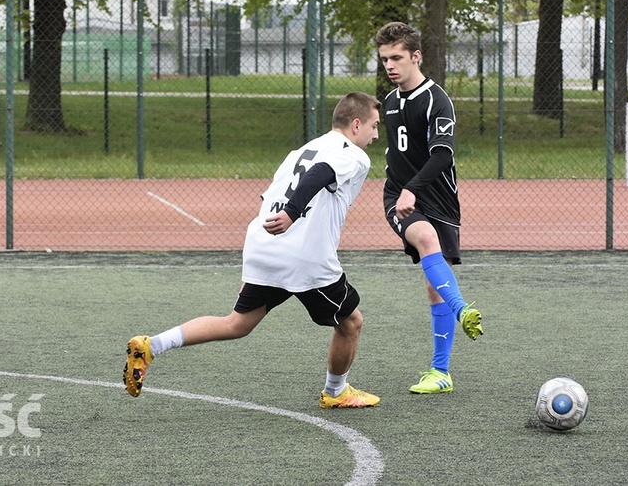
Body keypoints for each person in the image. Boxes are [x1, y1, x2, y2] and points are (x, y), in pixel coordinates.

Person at [124, 91, 382, 408]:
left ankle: (151, 346)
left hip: (265, 245)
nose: (376, 135)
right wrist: (293, 213)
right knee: (351, 323)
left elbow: (266, 202)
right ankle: (335, 392)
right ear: (357, 124)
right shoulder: (352, 154)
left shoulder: (300, 151)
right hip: (303, 257)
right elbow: (321, 174)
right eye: (374, 126)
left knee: (237, 323)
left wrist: (256, 265)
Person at [376, 21, 483, 394]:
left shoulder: (437, 99)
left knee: (433, 283)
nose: (390, 65)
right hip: (398, 197)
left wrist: (414, 189)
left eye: (397, 58)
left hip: (438, 198)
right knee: (423, 237)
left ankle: (440, 373)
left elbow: (442, 155)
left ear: (416, 56)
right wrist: (402, 191)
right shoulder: (388, 103)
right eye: (385, 59)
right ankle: (462, 308)